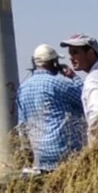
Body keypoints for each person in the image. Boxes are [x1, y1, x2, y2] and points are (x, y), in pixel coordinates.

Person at [15, 44, 86, 172]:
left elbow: (22, 125)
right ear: (54, 63)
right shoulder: (58, 84)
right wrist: (73, 77)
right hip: (64, 152)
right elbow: (86, 98)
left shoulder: (22, 89)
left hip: (40, 156)